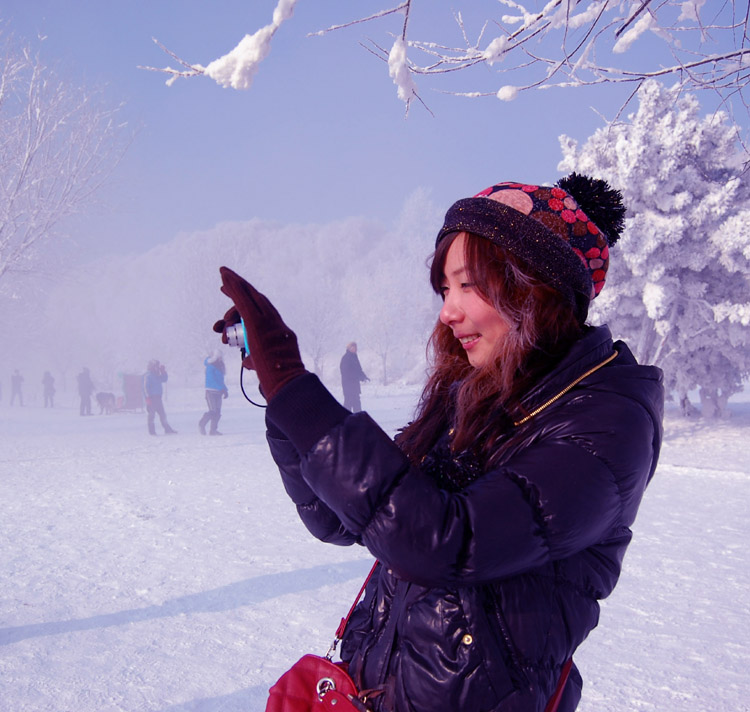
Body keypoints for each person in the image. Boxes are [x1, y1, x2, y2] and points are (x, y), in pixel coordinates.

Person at [214, 173, 664, 712]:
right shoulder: (470, 397)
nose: (448, 312)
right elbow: (337, 519)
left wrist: (296, 390)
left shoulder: (605, 421)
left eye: (468, 285)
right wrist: (282, 401)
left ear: (536, 286)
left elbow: (446, 542)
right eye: (445, 289)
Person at [198, 350, 228, 435]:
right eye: (219, 357)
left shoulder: (220, 367)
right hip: (210, 392)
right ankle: (202, 424)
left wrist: (225, 390)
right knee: (213, 411)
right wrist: (220, 388)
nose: (220, 359)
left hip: (219, 392)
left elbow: (220, 380)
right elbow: (211, 380)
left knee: (217, 412)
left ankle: (213, 430)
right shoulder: (210, 366)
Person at [143, 359, 177, 435]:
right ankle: (152, 431)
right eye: (156, 366)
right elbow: (145, 388)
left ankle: (167, 429)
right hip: (152, 398)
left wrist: (163, 371)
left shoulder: (157, 375)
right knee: (151, 415)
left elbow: (164, 379)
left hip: (158, 398)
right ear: (152, 366)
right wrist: (147, 398)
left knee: (162, 414)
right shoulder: (148, 375)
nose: (157, 368)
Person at [339, 341, 369, 412]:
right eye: (353, 347)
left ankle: (358, 418)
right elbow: (345, 372)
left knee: (356, 402)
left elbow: (359, 369)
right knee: (348, 402)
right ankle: (345, 419)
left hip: (355, 385)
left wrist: (363, 376)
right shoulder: (346, 358)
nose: (355, 349)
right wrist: (357, 376)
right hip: (348, 385)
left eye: (356, 347)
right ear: (349, 348)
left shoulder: (354, 357)